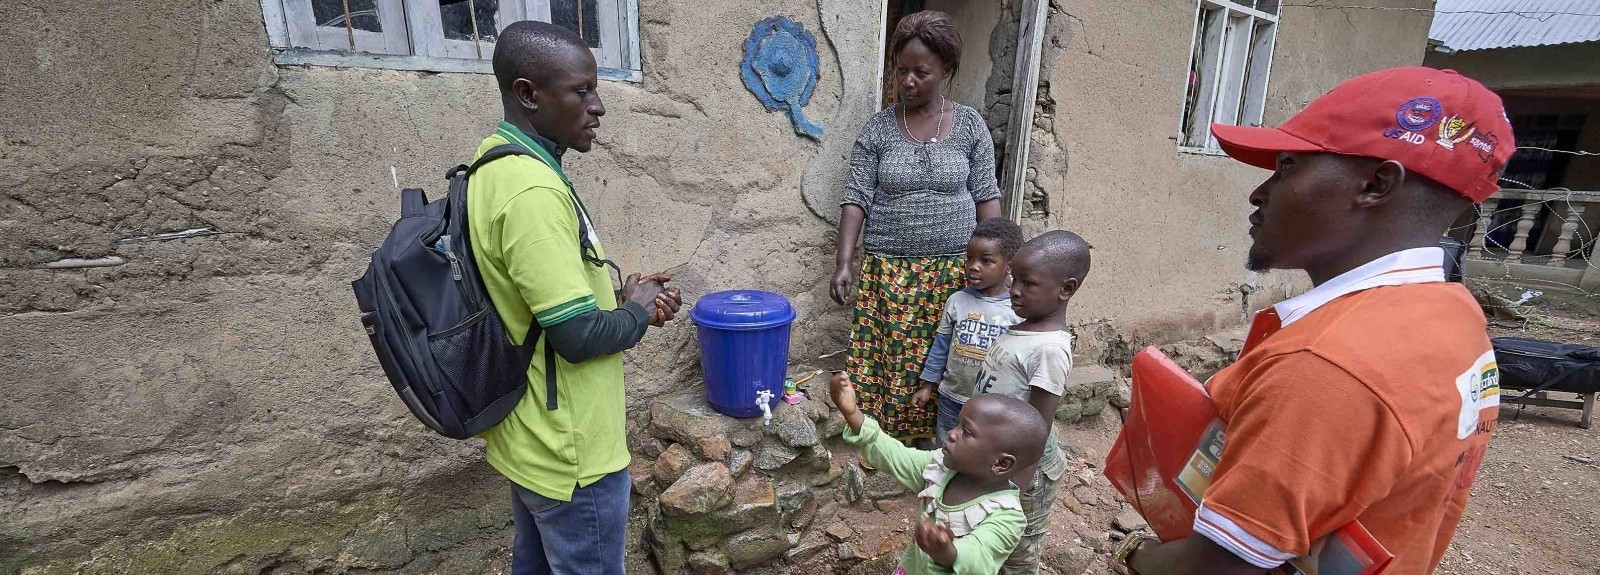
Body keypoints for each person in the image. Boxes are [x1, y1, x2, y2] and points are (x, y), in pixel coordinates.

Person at [1112, 67, 1511, 575]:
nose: (1260, 193)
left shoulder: (1327, 364)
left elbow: (1222, 568)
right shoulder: (1452, 316)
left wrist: (1133, 556)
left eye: (1287, 167)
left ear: (1375, 183)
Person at [468, 21, 683, 575]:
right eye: (581, 90)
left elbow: (536, 300)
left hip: (532, 438)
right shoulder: (533, 192)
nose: (598, 106)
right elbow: (577, 337)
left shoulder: (493, 163)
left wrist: (622, 298)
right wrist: (636, 311)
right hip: (573, 454)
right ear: (528, 94)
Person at [832, 10, 1004, 443]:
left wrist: (1001, 263)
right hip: (890, 273)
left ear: (945, 69)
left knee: (947, 360)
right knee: (889, 361)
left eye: (921, 72)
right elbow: (856, 199)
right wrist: (844, 262)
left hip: (954, 274)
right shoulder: (877, 130)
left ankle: (943, 446)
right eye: (901, 70)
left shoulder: (969, 127)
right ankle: (885, 444)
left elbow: (987, 197)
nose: (908, 80)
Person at [829, 371, 1049, 575]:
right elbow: (896, 456)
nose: (952, 434)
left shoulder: (1006, 515)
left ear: (1001, 463)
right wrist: (854, 415)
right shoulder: (940, 469)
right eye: (957, 425)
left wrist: (949, 552)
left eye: (967, 432)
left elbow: (980, 557)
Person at [971, 230, 1091, 574]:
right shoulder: (1022, 328)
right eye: (1014, 280)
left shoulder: (1050, 349)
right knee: (991, 537)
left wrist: (1014, 490)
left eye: (1028, 283)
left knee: (1018, 545)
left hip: (1027, 471)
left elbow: (1039, 425)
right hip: (1002, 459)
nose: (1015, 290)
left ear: (1066, 289)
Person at [914, 218, 1026, 447]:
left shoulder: (1016, 311)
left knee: (985, 450)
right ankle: (942, 483)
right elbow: (941, 347)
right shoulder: (957, 301)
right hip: (952, 397)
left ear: (1009, 265)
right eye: (970, 259)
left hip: (994, 406)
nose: (974, 266)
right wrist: (927, 386)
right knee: (946, 447)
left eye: (986, 261)